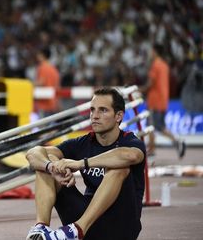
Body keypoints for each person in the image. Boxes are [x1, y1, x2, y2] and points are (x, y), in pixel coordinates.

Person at [25, 87, 146, 240]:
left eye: (103, 110)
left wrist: (81, 164)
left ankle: (76, 231)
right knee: (44, 165)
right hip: (88, 223)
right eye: (92, 110)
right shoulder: (83, 142)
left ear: (118, 116)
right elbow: (33, 153)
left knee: (119, 168)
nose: (95, 116)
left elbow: (130, 155)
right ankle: (40, 230)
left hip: (121, 228)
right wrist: (52, 166)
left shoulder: (130, 141)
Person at [140, 44, 186, 159]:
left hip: (154, 101)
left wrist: (139, 89)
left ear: (155, 52)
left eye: (151, 51)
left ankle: (153, 150)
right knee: (157, 126)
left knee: (151, 126)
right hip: (163, 100)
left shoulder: (155, 65)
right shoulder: (165, 65)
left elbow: (150, 83)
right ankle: (175, 142)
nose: (150, 53)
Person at [34, 47, 61, 117]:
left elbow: (41, 82)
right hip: (53, 102)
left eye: (38, 54)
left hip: (44, 103)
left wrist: (28, 85)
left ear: (42, 55)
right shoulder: (54, 69)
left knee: (42, 127)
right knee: (52, 126)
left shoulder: (42, 67)